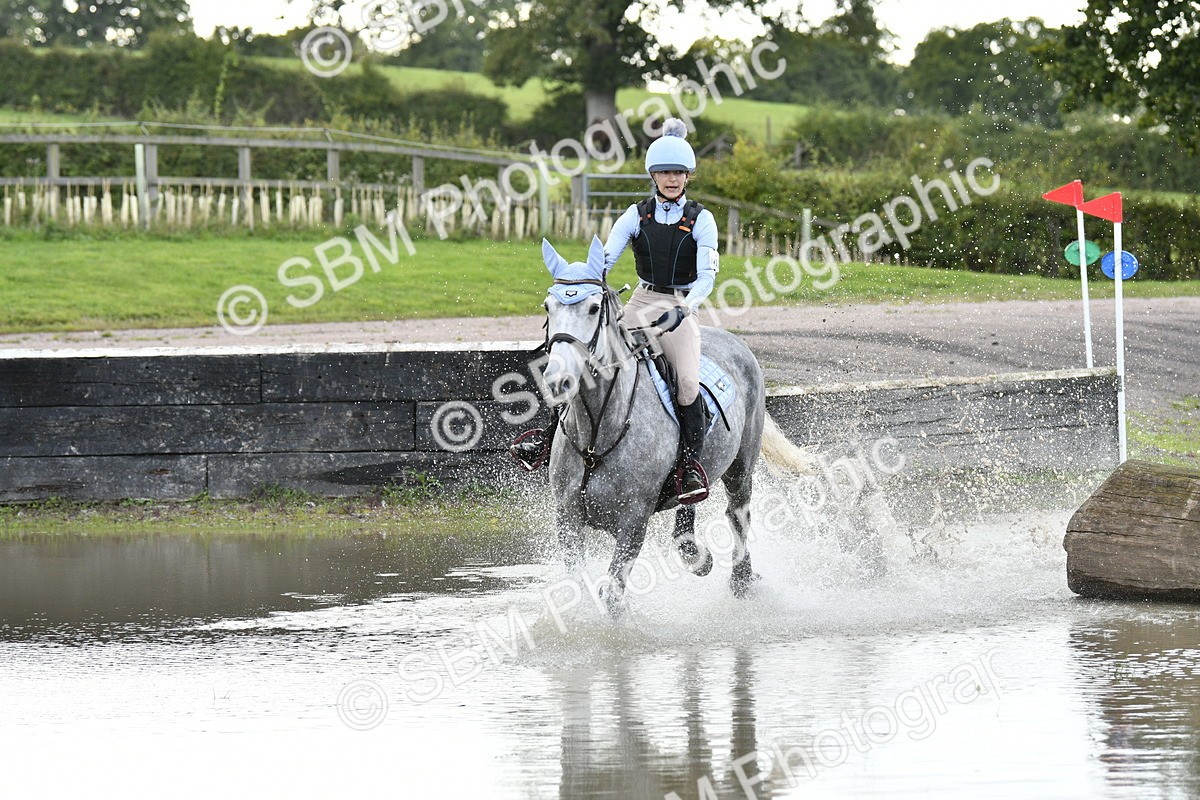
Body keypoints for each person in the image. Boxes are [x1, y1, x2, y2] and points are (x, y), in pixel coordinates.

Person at [512, 118, 719, 504]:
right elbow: (605, 260)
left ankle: (689, 467)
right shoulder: (635, 215)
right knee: (585, 360)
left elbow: (707, 277)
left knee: (688, 383)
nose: (672, 179)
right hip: (641, 301)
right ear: (653, 176)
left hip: (679, 306)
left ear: (688, 176)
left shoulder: (701, 219)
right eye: (664, 173)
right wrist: (580, 280)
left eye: (678, 173)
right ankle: (547, 437)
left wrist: (686, 308)